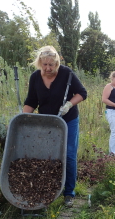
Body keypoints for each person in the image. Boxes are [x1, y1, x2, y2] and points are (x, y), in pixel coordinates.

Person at [23, 46, 87, 207]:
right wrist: (23, 119)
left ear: (57, 63)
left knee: (69, 154)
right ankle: (50, 189)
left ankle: (69, 193)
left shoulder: (67, 74)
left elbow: (82, 93)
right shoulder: (35, 77)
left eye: (51, 65)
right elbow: (31, 101)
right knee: (48, 155)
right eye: (45, 65)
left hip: (68, 120)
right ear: (39, 63)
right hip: (47, 123)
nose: (48, 68)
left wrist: (69, 105)